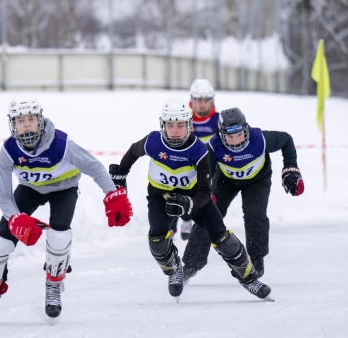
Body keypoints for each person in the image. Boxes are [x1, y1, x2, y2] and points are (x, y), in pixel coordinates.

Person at [0, 98, 133, 324]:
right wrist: (15, 219)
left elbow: (94, 167)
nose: (27, 125)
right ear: (13, 125)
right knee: (0, 242)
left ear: (40, 120)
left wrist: (112, 194)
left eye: (31, 119)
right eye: (21, 121)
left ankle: (53, 286)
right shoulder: (8, 150)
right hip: (30, 189)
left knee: (59, 235)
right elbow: (3, 195)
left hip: (64, 188)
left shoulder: (61, 143)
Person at [108, 99, 273, 301]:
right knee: (157, 240)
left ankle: (250, 279)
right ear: (163, 125)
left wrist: (190, 204)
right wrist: (121, 172)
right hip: (161, 196)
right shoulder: (153, 141)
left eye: (180, 125)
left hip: (194, 197)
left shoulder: (200, 150)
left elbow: (205, 189)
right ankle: (174, 270)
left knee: (221, 237)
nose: (175, 131)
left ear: (189, 126)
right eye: (170, 125)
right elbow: (134, 151)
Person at [182, 107, 303, 282]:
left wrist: (290, 169)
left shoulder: (260, 139)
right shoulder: (214, 146)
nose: (235, 140)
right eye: (230, 137)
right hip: (225, 181)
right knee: (207, 215)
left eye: (239, 134)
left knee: (255, 215)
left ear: (246, 130)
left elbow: (286, 140)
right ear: (221, 135)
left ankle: (255, 261)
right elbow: (204, 171)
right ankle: (192, 264)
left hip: (257, 180)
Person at [176, 79, 221, 240]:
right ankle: (182, 220)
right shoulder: (182, 118)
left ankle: (203, 223)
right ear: (192, 100)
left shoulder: (219, 120)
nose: (202, 104)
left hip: (210, 165)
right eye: (199, 100)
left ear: (212, 100)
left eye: (206, 100)